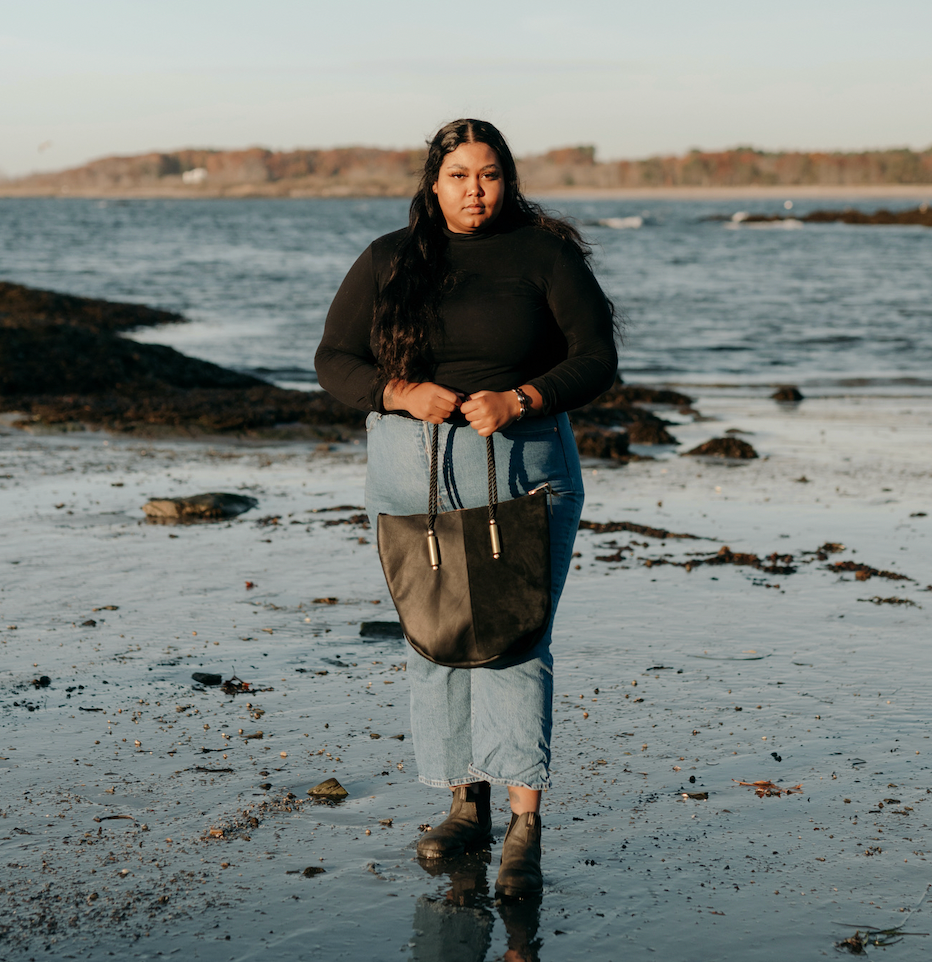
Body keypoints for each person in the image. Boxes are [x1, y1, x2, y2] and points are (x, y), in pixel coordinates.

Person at [315, 118, 617, 898]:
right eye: (458, 176)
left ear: (508, 179)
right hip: (408, 476)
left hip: (520, 469)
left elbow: (597, 358)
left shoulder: (545, 256)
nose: (474, 191)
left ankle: (524, 823)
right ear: (433, 182)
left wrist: (523, 396)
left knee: (515, 641)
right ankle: (464, 803)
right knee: (438, 634)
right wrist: (398, 391)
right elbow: (333, 361)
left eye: (488, 175)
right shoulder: (389, 258)